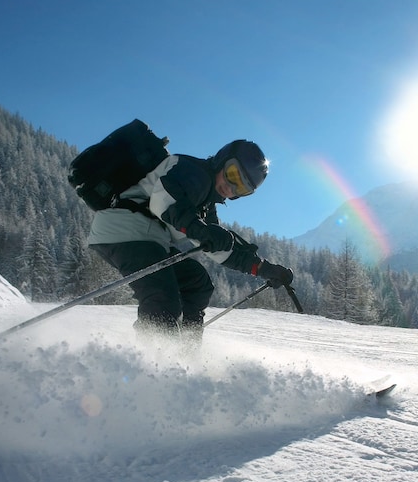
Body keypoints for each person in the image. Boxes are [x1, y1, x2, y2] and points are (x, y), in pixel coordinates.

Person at [87, 139, 294, 342]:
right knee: (162, 297)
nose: (231, 188)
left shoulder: (206, 202)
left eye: (241, 188)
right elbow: (165, 201)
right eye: (232, 175)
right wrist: (200, 230)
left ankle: (186, 354)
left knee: (197, 283)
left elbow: (218, 249)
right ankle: (153, 361)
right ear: (222, 159)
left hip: (147, 237)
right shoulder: (191, 171)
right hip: (123, 229)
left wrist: (263, 268)